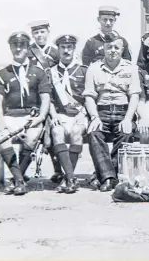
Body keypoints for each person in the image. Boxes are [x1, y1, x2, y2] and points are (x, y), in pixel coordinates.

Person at [0, 32, 51, 195]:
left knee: (31, 138)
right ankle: (19, 180)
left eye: (22, 45)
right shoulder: (2, 74)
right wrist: (1, 122)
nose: (18, 49)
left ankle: (16, 180)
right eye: (15, 45)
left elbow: (45, 99)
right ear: (10, 48)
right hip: (10, 116)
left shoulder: (39, 72)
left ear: (27, 47)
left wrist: (40, 117)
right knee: (2, 138)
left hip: (32, 117)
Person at [83, 32, 140, 192]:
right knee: (94, 133)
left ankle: (102, 175)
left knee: (127, 134)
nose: (112, 50)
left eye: (116, 47)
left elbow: (134, 96)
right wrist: (94, 117)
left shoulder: (131, 68)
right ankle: (109, 177)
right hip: (101, 113)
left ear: (122, 49)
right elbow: (89, 96)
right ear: (104, 48)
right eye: (109, 47)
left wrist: (128, 118)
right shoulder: (94, 68)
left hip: (123, 112)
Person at [48, 34, 88, 193]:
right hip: (61, 114)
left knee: (76, 131)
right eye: (63, 47)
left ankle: (67, 178)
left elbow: (89, 97)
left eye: (69, 47)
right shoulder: (50, 72)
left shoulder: (84, 71)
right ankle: (70, 178)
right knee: (57, 131)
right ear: (58, 50)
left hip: (80, 113)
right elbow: (49, 99)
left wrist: (83, 113)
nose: (66, 51)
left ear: (74, 49)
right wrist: (54, 115)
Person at [27, 20, 63, 183]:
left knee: (52, 133)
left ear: (48, 31)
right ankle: (22, 170)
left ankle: (58, 170)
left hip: (53, 97)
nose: (39, 35)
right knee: (29, 131)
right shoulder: (28, 52)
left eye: (42, 32)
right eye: (36, 33)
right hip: (34, 99)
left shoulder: (56, 52)